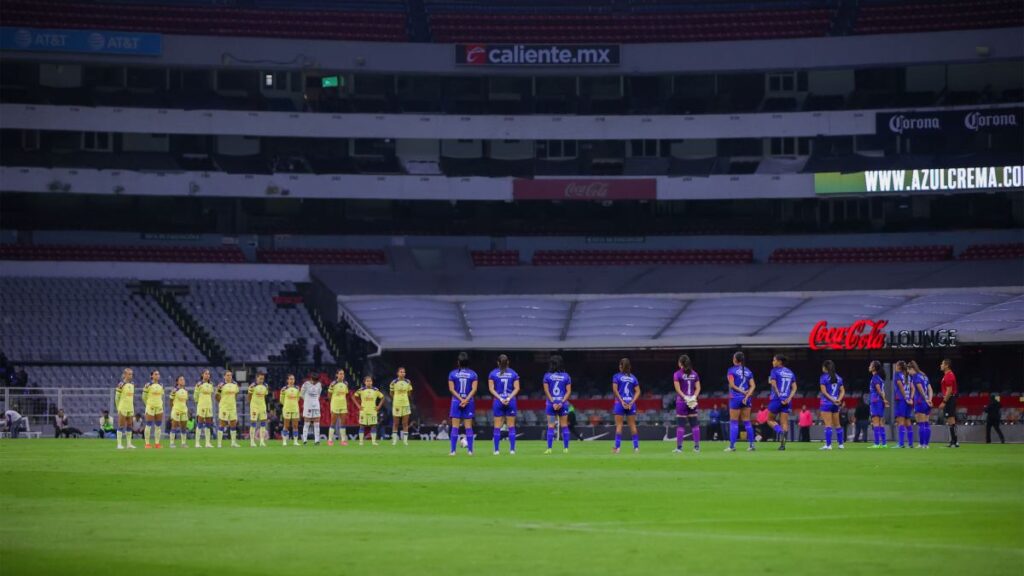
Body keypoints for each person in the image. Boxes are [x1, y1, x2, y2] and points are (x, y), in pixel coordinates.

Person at [447, 352, 478, 456]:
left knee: (455, 427)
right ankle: (470, 451)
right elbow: (474, 389)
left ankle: (452, 451)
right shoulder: (473, 374)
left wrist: (460, 399)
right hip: (469, 402)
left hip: (456, 402)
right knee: (468, 427)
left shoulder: (452, 373)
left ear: (458, 362)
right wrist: (466, 400)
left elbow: (451, 389)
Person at [487, 355, 519, 455]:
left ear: (498, 363)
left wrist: (501, 398)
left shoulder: (493, 373)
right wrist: (508, 398)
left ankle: (496, 450)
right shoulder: (513, 373)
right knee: (511, 426)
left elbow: (491, 389)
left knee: (497, 426)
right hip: (511, 401)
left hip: (498, 401)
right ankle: (512, 450)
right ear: (508, 362)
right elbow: (517, 388)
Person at [725, 351, 756, 452]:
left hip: (735, 397)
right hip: (746, 398)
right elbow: (753, 386)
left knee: (734, 422)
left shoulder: (731, 371)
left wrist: (742, 392)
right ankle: (751, 445)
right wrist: (747, 395)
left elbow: (732, 385)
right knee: (747, 421)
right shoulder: (748, 371)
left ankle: (732, 446)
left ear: (735, 359)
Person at [543, 354, 573, 454]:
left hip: (550, 406)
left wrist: (553, 402)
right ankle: (566, 449)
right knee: (564, 425)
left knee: (551, 426)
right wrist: (561, 402)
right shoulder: (566, 376)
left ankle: (549, 449)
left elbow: (546, 391)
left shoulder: (547, 376)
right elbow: (568, 391)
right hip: (563, 405)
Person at [766, 353, 796, 451]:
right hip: (787, 401)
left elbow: (774, 385)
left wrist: (780, 396)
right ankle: (783, 445)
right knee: (784, 423)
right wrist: (789, 398)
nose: (772, 362)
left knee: (770, 420)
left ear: (779, 362)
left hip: (777, 399)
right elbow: (794, 388)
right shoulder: (790, 372)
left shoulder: (774, 371)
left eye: (774, 360)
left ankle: (779, 431)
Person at [673, 354, 701, 453]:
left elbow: (678, 389)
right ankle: (697, 447)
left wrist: (685, 398)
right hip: (692, 401)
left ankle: (679, 448)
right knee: (694, 424)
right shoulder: (694, 374)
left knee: (681, 425)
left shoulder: (677, 374)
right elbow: (698, 388)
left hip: (682, 401)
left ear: (680, 363)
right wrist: (693, 397)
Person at [612, 357, 640, 454]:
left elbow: (615, 390)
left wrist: (622, 401)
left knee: (619, 425)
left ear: (620, 366)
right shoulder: (633, 377)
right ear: (629, 367)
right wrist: (631, 402)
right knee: (632, 425)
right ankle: (636, 448)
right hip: (630, 404)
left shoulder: (616, 377)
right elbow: (638, 391)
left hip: (620, 404)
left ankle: (617, 448)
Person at [818, 360, 845, 450]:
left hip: (826, 403)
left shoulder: (823, 377)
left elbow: (824, 391)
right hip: (835, 404)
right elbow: (842, 391)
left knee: (828, 425)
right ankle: (841, 444)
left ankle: (828, 445)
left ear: (825, 368)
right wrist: (838, 399)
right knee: (837, 424)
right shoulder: (839, 377)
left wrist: (832, 399)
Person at [907, 360, 933, 449]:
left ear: (912, 369)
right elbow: (930, 389)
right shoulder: (924, 376)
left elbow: (919, 387)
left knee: (921, 424)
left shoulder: (915, 376)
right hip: (927, 403)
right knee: (926, 423)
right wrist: (929, 399)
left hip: (920, 402)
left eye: (908, 370)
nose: (908, 372)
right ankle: (926, 444)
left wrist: (925, 399)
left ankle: (922, 444)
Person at [354, 375, 384, 446]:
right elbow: (354, 397)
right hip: (364, 411)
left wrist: (378, 406)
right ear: (365, 382)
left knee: (373, 426)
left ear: (372, 382)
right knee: (362, 426)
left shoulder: (375, 390)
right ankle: (361, 442)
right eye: (367, 381)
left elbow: (382, 398)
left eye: (370, 381)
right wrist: (358, 405)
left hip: (372, 411)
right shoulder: (361, 390)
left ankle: (373, 442)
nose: (369, 382)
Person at [216, 370, 241, 448]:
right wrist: (222, 403)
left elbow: (236, 394)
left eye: (230, 375)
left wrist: (232, 402)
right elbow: (217, 396)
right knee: (222, 424)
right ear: (224, 376)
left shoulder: (235, 384)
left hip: (232, 407)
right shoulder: (221, 385)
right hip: (224, 407)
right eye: (227, 375)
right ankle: (219, 443)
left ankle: (233, 442)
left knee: (233, 424)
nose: (229, 376)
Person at [893, 360, 915, 448]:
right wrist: (910, 398)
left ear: (898, 367)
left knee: (900, 422)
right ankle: (910, 444)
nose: (895, 366)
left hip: (901, 400)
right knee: (908, 421)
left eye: (896, 365)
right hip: (908, 401)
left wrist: (905, 398)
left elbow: (900, 386)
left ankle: (901, 444)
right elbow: (913, 388)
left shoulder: (897, 375)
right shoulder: (908, 376)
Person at [390, 366, 414, 447]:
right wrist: (397, 399)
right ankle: (394, 441)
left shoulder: (408, 382)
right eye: (401, 372)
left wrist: (405, 399)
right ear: (397, 373)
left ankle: (405, 441)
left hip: (406, 404)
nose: (402, 373)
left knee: (405, 423)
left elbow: (409, 393)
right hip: (397, 404)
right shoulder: (394, 382)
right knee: (396, 423)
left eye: (404, 372)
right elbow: (391, 393)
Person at [939, 359, 959, 448]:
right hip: (951, 398)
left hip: (950, 399)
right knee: (951, 419)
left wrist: (944, 401)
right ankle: (954, 441)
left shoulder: (948, 376)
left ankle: (953, 442)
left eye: (942, 364)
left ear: (947, 365)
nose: (941, 365)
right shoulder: (949, 375)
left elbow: (949, 390)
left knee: (950, 419)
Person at [114, 369, 137, 449]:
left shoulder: (132, 384)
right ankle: (119, 444)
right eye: (129, 374)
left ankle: (129, 444)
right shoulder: (121, 384)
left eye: (131, 374)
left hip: (130, 407)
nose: (131, 376)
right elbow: (117, 398)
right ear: (125, 375)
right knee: (121, 425)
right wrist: (118, 408)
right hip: (122, 407)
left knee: (129, 426)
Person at [868, 361, 889, 448]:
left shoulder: (875, 378)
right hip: (879, 401)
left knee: (875, 422)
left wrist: (884, 399)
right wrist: (884, 400)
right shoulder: (880, 378)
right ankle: (884, 443)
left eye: (870, 365)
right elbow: (882, 391)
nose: (869, 366)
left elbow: (879, 390)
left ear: (874, 368)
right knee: (880, 422)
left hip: (875, 401)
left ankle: (876, 443)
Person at [193, 369, 216, 448]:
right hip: (201, 405)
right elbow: (195, 396)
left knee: (208, 424)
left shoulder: (211, 384)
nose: (207, 375)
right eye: (206, 374)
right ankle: (197, 443)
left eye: (208, 374)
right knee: (200, 423)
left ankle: (207, 443)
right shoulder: (199, 384)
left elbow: (212, 395)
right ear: (202, 375)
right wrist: (198, 403)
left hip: (209, 406)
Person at [327, 369, 350, 447]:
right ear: (336, 375)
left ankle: (343, 440)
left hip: (343, 405)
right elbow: (329, 395)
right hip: (335, 405)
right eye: (340, 374)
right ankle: (330, 440)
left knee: (343, 423)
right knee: (333, 423)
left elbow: (346, 394)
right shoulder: (333, 384)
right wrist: (333, 402)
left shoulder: (346, 383)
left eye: (343, 374)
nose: (342, 375)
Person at [247, 372, 269, 447]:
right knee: (253, 423)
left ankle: (262, 441)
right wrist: (252, 405)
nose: (261, 380)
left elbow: (264, 396)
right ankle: (252, 441)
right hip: (254, 406)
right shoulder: (252, 386)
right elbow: (249, 396)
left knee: (263, 423)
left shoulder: (266, 386)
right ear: (257, 378)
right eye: (260, 378)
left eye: (263, 379)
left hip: (262, 406)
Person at [299, 374, 322, 446]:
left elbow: (319, 394)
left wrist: (314, 401)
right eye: (314, 381)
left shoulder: (319, 384)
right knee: (307, 423)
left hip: (316, 406)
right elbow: (301, 394)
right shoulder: (306, 384)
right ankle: (305, 440)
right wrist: (307, 400)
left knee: (317, 423)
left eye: (316, 381)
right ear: (311, 379)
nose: (315, 382)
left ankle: (317, 440)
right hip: (307, 406)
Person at [168, 376, 190, 448]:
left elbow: (186, 402)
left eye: (183, 379)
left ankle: (183, 443)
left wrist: (187, 411)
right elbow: (171, 401)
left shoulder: (185, 391)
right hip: (176, 410)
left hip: (184, 410)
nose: (183, 381)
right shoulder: (174, 390)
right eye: (181, 379)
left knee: (183, 428)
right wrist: (172, 409)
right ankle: (171, 443)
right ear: (177, 382)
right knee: (174, 426)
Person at [280, 374, 301, 446]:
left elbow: (298, 398)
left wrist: (293, 403)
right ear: (287, 380)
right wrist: (286, 404)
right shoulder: (284, 389)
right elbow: (281, 400)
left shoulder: (297, 388)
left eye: (293, 379)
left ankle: (295, 441)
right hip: (287, 408)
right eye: (290, 379)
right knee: (286, 425)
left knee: (295, 425)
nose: (292, 381)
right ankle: (284, 441)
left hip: (295, 408)